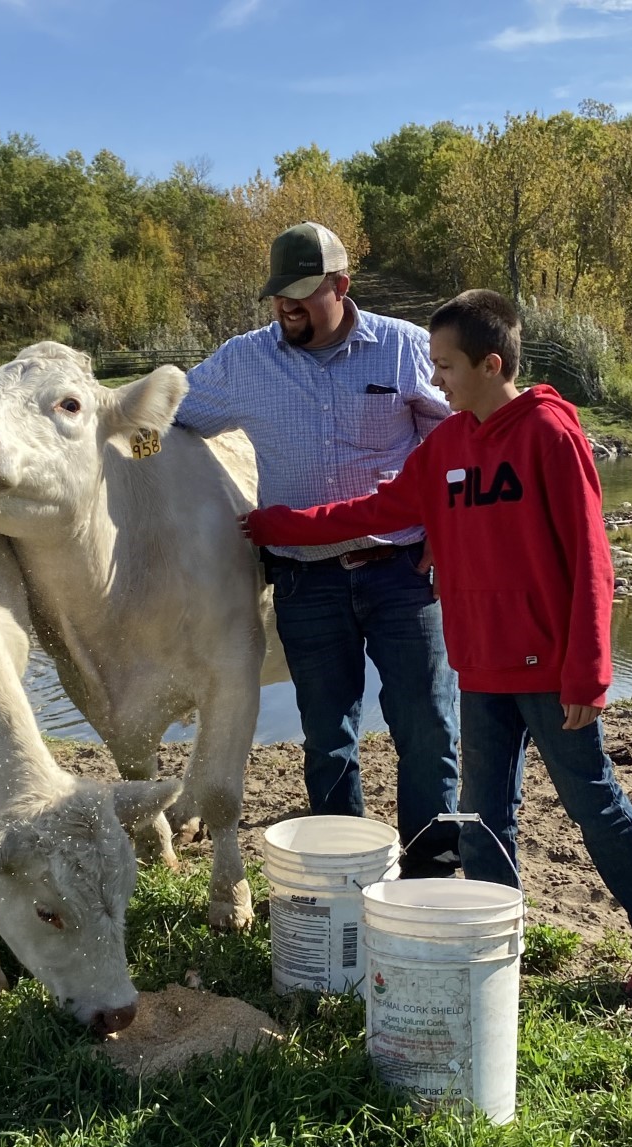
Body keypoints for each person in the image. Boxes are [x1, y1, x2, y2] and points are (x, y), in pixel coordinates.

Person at [241, 288, 632, 1001]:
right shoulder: (448, 446)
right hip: (480, 668)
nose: (435, 380)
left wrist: (589, 670)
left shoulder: (550, 435)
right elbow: (375, 511)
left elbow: (591, 558)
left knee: (592, 801)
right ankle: (495, 941)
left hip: (552, 671)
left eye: (448, 366)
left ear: (492, 365)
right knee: (487, 819)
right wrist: (281, 525)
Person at [174, 221, 460, 878]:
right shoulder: (244, 360)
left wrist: (449, 535)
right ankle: (344, 876)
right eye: (279, 293)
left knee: (428, 729)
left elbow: (464, 441)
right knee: (327, 740)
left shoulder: (405, 348)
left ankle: (430, 877)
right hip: (306, 583)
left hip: (404, 572)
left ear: (341, 285)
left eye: (303, 293)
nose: (287, 306)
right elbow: (164, 413)